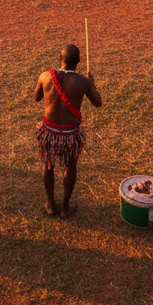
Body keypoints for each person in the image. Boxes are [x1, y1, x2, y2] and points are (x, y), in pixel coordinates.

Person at [34, 44, 102, 217]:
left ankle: (50, 204)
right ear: (78, 62)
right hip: (70, 134)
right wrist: (91, 85)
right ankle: (65, 207)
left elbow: (36, 97)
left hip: (49, 131)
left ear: (60, 59)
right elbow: (98, 102)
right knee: (71, 167)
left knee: (47, 164)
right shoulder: (83, 82)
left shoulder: (44, 76)